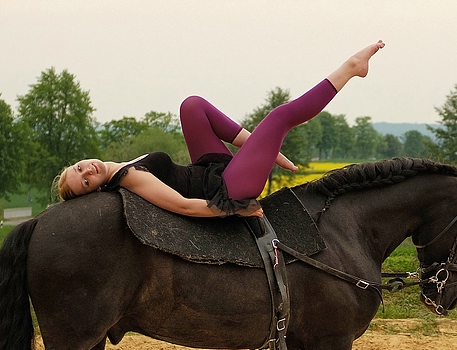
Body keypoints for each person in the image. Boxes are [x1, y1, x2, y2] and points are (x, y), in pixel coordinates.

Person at [55, 41, 385, 218]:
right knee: (280, 117)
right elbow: (183, 207)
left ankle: (263, 146)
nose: (88, 171)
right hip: (224, 189)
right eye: (86, 182)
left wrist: (261, 148)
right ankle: (351, 68)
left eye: (79, 168)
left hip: (208, 170)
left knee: (191, 106)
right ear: (96, 191)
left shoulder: (121, 168)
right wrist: (233, 210)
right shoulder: (128, 178)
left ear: (79, 161)